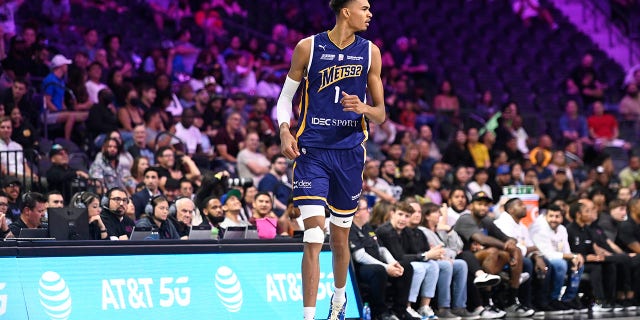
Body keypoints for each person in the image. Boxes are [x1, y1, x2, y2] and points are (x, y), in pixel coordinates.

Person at [276, 1, 386, 318]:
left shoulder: (370, 52)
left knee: (340, 239)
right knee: (312, 235)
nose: (370, 13)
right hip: (312, 151)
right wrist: (285, 131)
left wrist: (364, 108)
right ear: (345, 11)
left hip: (350, 153)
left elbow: (380, 114)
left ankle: (339, 299)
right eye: (364, 7)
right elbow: (285, 99)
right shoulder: (307, 47)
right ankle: (308, 316)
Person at [454, 192, 530, 318]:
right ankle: (487, 303)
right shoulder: (465, 219)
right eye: (479, 204)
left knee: (516, 250)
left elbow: (507, 238)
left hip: (484, 258)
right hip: (465, 257)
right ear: (471, 206)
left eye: (485, 205)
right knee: (494, 251)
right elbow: (482, 239)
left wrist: (511, 244)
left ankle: (512, 301)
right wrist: (507, 246)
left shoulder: (486, 220)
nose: (483, 208)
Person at [349, 198, 413, 320]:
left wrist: (393, 263)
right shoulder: (350, 228)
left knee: (406, 266)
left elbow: (381, 249)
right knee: (378, 270)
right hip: (361, 269)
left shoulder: (367, 227)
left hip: (378, 264)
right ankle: (380, 312)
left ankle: (400, 310)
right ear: (357, 212)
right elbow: (359, 256)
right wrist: (386, 267)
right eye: (366, 209)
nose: (369, 211)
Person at [529, 205, 586, 311]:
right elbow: (547, 254)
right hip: (542, 259)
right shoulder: (539, 228)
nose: (554, 219)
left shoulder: (562, 229)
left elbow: (566, 251)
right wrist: (571, 256)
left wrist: (574, 258)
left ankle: (568, 299)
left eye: (557, 216)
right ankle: (553, 299)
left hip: (558, 258)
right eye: (551, 216)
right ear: (546, 216)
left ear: (562, 218)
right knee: (561, 264)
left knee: (578, 264)